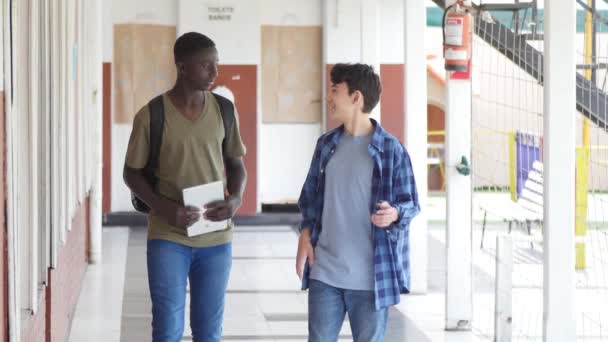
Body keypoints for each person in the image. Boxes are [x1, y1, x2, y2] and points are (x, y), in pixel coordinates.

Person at [123, 32, 247, 342]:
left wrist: (236, 200)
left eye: (216, 65)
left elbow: (236, 165)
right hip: (168, 236)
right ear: (182, 67)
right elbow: (131, 173)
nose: (214, 73)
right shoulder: (152, 114)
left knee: (209, 332)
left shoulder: (225, 110)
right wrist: (164, 207)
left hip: (216, 237)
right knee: (167, 329)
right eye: (206, 65)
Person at [296, 63, 420, 342]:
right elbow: (309, 199)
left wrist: (396, 214)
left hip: (371, 278)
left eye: (334, 90)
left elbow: (411, 204)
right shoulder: (326, 144)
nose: (329, 97)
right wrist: (305, 233)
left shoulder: (391, 149)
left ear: (356, 97)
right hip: (325, 272)